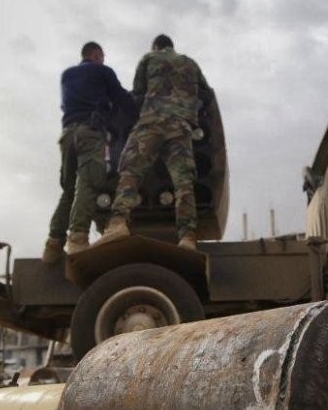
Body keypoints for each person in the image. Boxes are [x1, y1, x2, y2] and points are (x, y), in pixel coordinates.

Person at [99, 34, 213, 251]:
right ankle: (188, 237)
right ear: (172, 46)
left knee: (131, 170)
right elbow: (206, 93)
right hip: (180, 127)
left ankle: (118, 223)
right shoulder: (190, 63)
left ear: (156, 46)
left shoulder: (149, 58)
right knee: (183, 182)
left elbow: (138, 93)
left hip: (152, 123)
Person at [42, 41, 136, 262]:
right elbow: (121, 98)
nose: (103, 60)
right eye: (102, 57)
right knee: (89, 182)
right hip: (90, 133)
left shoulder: (66, 75)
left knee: (68, 189)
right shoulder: (103, 71)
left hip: (67, 135)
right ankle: (78, 239)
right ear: (96, 55)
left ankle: (54, 243)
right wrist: (138, 115)